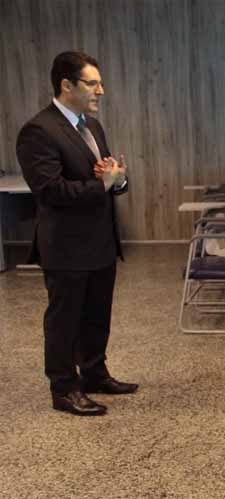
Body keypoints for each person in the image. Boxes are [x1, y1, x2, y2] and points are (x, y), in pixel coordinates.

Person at [16, 51, 135, 416]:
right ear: (67, 85)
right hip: (67, 248)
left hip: (99, 241)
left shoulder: (91, 126)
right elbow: (50, 191)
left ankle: (95, 374)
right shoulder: (39, 131)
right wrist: (103, 185)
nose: (101, 90)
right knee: (64, 320)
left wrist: (118, 179)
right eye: (93, 83)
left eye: (100, 82)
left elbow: (109, 176)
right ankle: (64, 389)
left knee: (97, 314)